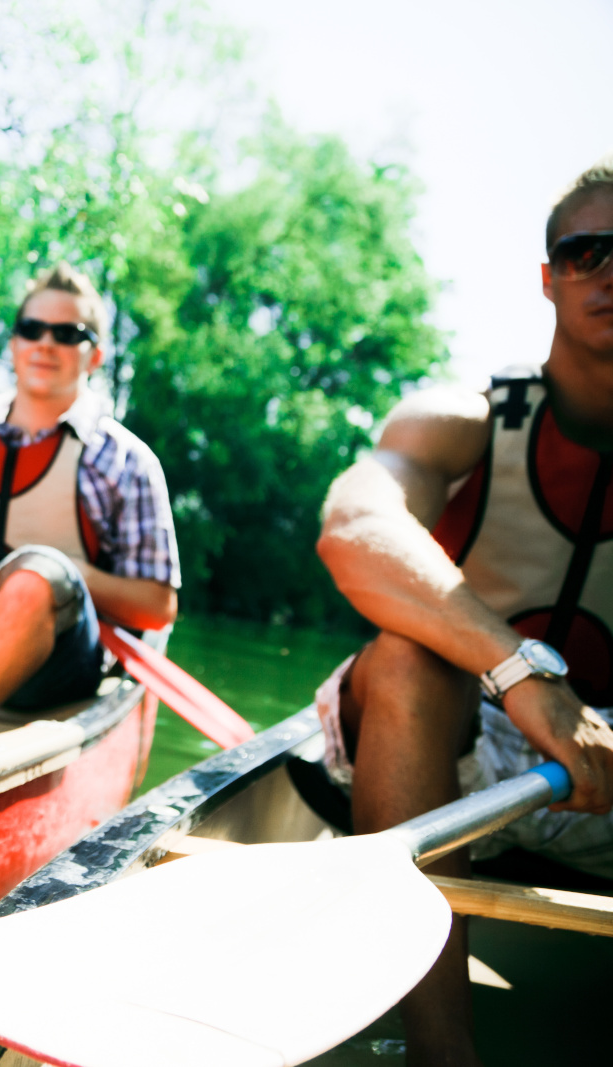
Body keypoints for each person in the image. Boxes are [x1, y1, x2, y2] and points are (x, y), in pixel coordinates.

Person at [315, 158, 613, 1067]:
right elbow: (352, 525)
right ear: (548, 276)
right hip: (458, 746)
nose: (608, 269)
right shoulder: (467, 416)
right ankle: (444, 1053)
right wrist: (527, 679)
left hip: (605, 770)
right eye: (584, 250)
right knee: (403, 658)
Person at [0, 264, 179, 761]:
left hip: (59, 660)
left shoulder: (127, 460)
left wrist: (66, 575)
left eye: (68, 334)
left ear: (96, 356)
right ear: (13, 344)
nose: (46, 343)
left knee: (36, 578)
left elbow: (157, 606)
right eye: (32, 329)